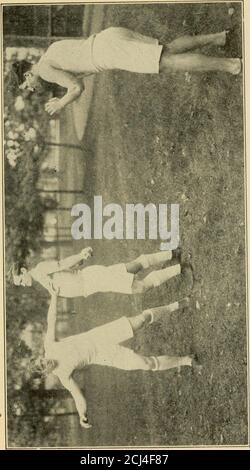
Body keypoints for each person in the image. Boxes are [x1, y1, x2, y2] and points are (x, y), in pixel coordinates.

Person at [32, 294, 199, 428]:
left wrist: (54, 295)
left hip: (100, 335)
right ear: (45, 373)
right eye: (42, 367)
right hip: (105, 356)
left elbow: (51, 319)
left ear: (42, 356)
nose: (45, 363)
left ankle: (180, 303)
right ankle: (186, 360)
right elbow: (78, 397)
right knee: (146, 364)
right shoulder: (63, 375)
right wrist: (82, 415)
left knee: (141, 320)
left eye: (42, 360)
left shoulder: (50, 345)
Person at [12, 28, 241, 116]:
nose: (33, 89)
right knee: (167, 50)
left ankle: (231, 65)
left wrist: (61, 104)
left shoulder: (44, 70)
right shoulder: (50, 51)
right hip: (109, 36)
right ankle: (218, 37)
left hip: (110, 52)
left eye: (27, 86)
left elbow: (76, 87)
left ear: (27, 75)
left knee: (167, 62)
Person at [11, 247, 189, 298]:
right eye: (19, 284)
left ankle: (180, 267)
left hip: (92, 280)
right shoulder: (41, 280)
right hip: (92, 282)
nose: (23, 284)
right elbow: (68, 270)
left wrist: (80, 254)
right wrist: (82, 259)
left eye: (20, 280)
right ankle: (172, 254)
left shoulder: (41, 270)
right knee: (133, 268)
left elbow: (61, 263)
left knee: (139, 288)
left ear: (24, 270)